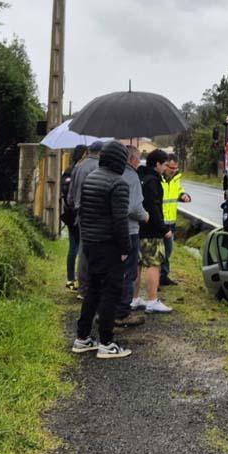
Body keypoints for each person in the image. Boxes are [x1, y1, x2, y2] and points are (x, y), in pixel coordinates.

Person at [71, 140, 133, 359]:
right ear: (120, 160)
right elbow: (120, 220)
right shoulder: (118, 183)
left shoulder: (91, 178)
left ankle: (82, 338)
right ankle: (106, 343)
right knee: (111, 293)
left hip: (90, 243)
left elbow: (83, 211)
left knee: (93, 291)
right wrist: (125, 247)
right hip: (109, 245)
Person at [136, 149, 174, 313]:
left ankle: (134, 298)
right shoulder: (153, 181)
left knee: (137, 264)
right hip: (151, 230)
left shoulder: (141, 177)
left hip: (138, 228)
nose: (166, 167)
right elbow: (154, 207)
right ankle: (152, 300)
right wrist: (163, 229)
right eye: (165, 164)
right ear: (157, 164)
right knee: (154, 264)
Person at [117, 145, 149, 326]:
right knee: (129, 272)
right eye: (137, 158)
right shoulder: (132, 177)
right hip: (130, 230)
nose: (139, 162)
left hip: (112, 230)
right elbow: (134, 208)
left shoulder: (114, 173)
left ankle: (108, 310)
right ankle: (123, 312)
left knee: (114, 271)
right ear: (132, 160)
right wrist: (145, 215)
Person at [67, 141, 103, 295]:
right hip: (96, 213)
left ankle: (82, 287)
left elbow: (70, 196)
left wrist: (76, 206)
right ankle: (93, 287)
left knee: (83, 249)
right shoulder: (100, 167)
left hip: (80, 213)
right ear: (101, 152)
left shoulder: (78, 166)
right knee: (98, 250)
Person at [160, 155, 192, 286]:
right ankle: (155, 280)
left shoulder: (175, 179)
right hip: (158, 221)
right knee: (157, 253)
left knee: (168, 251)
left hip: (171, 222)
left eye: (175, 168)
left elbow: (179, 191)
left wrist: (184, 195)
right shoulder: (157, 179)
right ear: (165, 165)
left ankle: (163, 276)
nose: (173, 170)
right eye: (171, 167)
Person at [59, 145, 87, 290]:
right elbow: (68, 193)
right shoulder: (75, 171)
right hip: (75, 214)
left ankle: (72, 278)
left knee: (75, 247)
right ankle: (74, 278)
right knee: (77, 247)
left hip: (71, 213)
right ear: (83, 155)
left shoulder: (69, 170)